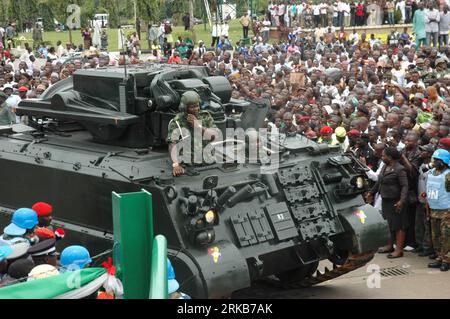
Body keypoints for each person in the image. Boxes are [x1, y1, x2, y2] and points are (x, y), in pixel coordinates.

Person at [367, 147, 409, 258]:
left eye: (384, 155)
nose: (382, 157)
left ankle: (399, 250)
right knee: (388, 224)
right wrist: (371, 193)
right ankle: (389, 245)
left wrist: (402, 201)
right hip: (385, 200)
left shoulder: (400, 169)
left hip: (396, 201)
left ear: (390, 157)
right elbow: (379, 182)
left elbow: (405, 186)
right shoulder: (385, 166)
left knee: (399, 226)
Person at [167, 91, 218, 177]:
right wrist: (176, 164)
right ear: (184, 108)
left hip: (209, 163)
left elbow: (214, 135)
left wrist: (198, 127)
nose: (196, 109)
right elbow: (173, 144)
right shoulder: (177, 122)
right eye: (192, 107)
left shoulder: (205, 116)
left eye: (197, 106)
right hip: (189, 166)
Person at [426, 149, 450, 271]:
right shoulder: (431, 173)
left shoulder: (448, 175)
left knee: (446, 236)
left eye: (437, 160)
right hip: (433, 209)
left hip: (446, 211)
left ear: (444, 161)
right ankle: (440, 257)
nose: (434, 162)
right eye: (434, 159)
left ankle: (447, 260)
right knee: (436, 236)